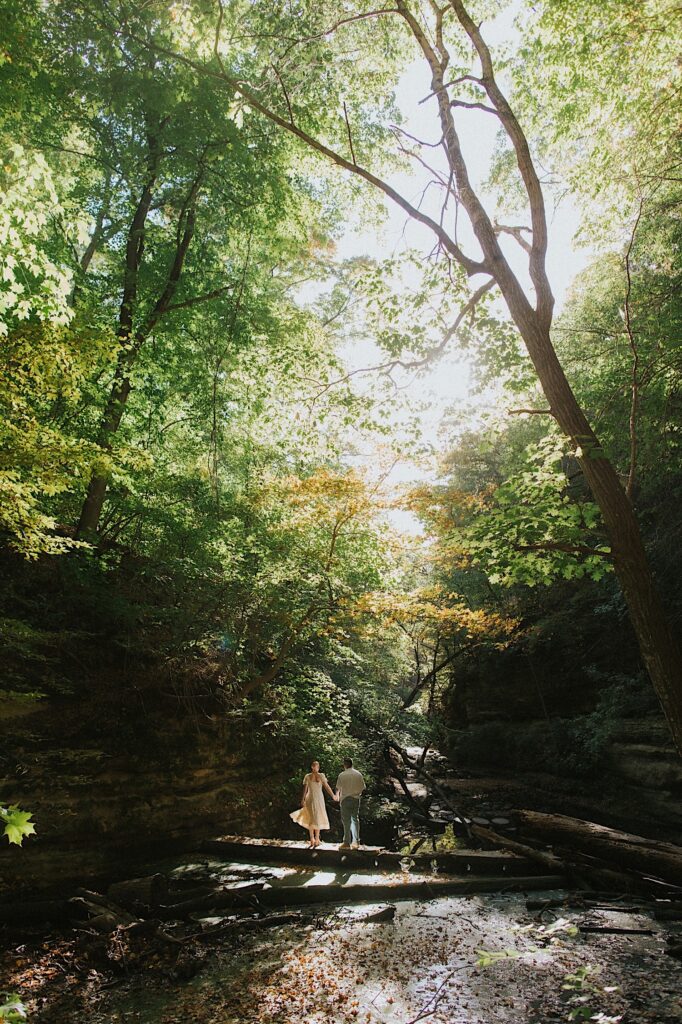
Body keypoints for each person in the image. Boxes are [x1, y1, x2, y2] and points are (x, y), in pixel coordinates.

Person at [289, 760, 335, 848]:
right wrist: (302, 799)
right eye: (314, 766)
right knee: (310, 817)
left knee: (317, 817)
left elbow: (326, 786)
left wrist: (333, 795)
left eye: (317, 766)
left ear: (318, 767)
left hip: (319, 798)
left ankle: (317, 838)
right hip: (310, 798)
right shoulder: (307, 776)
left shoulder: (321, 776)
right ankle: (312, 838)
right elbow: (305, 789)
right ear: (312, 767)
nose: (315, 768)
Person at [335, 757, 366, 849]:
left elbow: (338, 788)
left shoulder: (342, 775)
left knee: (346, 821)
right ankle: (356, 842)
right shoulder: (358, 774)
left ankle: (346, 842)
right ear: (352, 764)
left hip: (345, 798)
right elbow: (363, 787)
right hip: (356, 798)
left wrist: (337, 796)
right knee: (355, 820)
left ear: (345, 765)